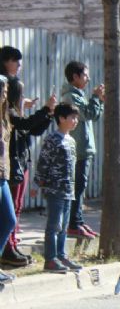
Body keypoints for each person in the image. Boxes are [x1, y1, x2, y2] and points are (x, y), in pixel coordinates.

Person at [0, 46, 55, 267]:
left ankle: (10, 244)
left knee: (14, 211)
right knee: (9, 214)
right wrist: (42, 112)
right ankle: (7, 249)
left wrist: (47, 113)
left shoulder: (9, 115)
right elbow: (23, 124)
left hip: (15, 163)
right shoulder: (10, 114)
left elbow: (31, 129)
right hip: (8, 167)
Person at [34, 104, 83, 273]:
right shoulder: (52, 139)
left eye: (76, 118)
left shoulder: (71, 140)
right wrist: (40, 181)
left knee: (64, 226)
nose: (75, 121)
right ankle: (50, 259)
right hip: (54, 189)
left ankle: (61, 255)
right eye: (72, 117)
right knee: (54, 225)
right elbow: (43, 162)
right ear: (61, 118)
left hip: (68, 190)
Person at [61, 61, 104, 239]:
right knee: (77, 187)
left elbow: (94, 115)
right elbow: (88, 114)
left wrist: (98, 100)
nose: (88, 79)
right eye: (85, 75)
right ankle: (73, 224)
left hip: (84, 148)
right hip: (78, 149)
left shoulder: (78, 94)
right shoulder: (72, 97)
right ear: (76, 76)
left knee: (80, 187)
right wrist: (96, 98)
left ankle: (78, 221)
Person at [0, 76, 19, 285]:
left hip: (3, 175)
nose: (5, 95)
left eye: (5, 91)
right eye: (2, 91)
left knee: (8, 220)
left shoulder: (5, 117)